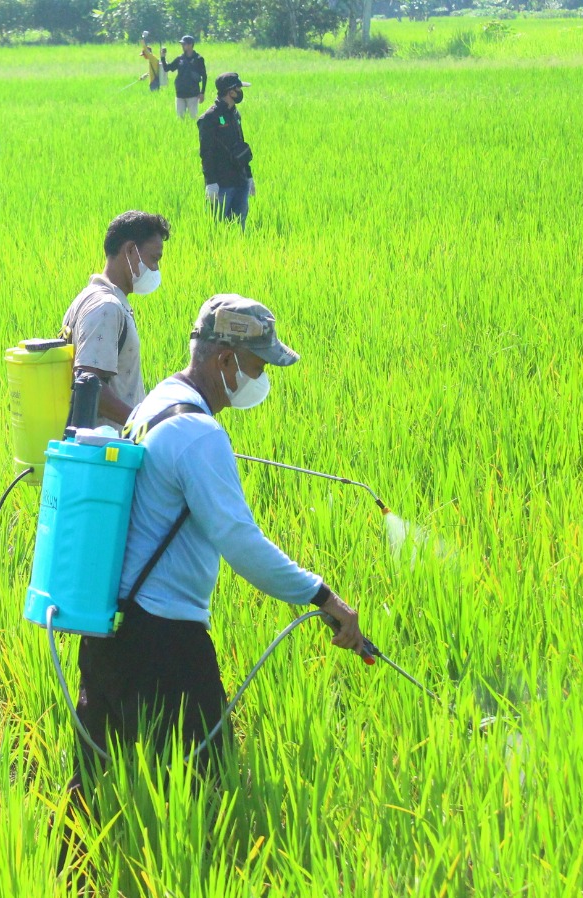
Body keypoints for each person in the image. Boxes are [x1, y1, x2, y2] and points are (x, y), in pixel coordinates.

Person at [70, 294, 366, 785]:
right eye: (256, 365)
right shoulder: (199, 433)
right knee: (211, 790)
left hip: (110, 628)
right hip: (167, 644)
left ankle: (69, 863)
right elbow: (241, 543)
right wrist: (323, 596)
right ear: (226, 360)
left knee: (96, 785)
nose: (260, 378)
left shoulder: (155, 402)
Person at [58, 211, 169, 431]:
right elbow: (89, 384)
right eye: (154, 259)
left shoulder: (88, 297)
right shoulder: (106, 307)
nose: (156, 269)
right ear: (130, 251)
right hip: (105, 450)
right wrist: (143, 423)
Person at [199, 72, 255, 228]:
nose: (240, 92)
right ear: (230, 92)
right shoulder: (209, 118)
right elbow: (206, 152)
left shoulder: (235, 114)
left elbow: (241, 146)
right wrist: (210, 182)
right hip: (222, 184)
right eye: (238, 89)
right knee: (218, 228)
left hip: (240, 181)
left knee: (239, 225)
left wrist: (249, 176)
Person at [161, 36, 207, 120]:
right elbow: (167, 68)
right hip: (180, 94)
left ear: (190, 45)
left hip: (193, 94)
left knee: (193, 118)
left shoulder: (199, 59)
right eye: (182, 44)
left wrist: (202, 92)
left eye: (184, 44)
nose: (182, 46)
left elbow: (204, 76)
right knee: (180, 119)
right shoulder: (180, 59)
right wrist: (163, 57)